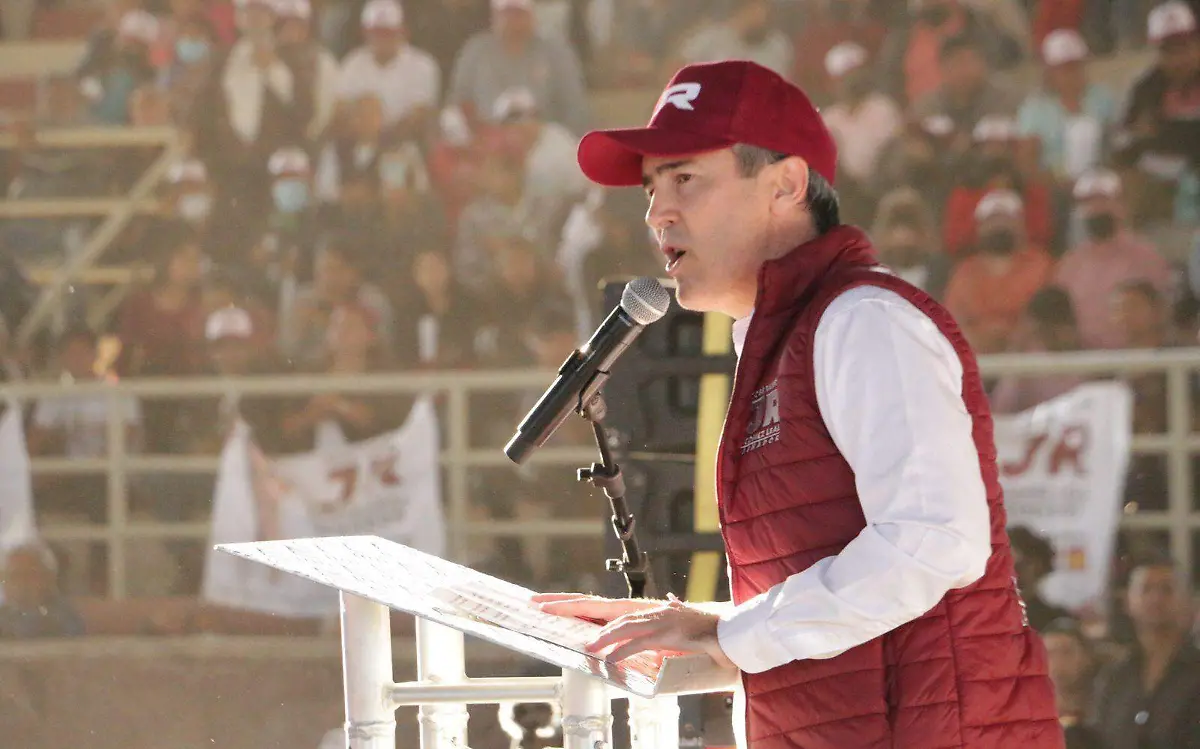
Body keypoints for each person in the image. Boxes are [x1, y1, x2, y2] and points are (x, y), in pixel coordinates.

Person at [534, 60, 1062, 748]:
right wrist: (710, 623)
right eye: (651, 187)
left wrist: (737, 632)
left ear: (785, 184)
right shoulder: (786, 334)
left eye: (685, 178)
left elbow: (934, 541)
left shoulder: (863, 320)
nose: (658, 210)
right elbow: (844, 590)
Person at [1092, 557, 1200, 748]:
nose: (1155, 598)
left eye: (1167, 589)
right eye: (1146, 589)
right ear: (1127, 602)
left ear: (1189, 602)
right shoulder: (1115, 675)